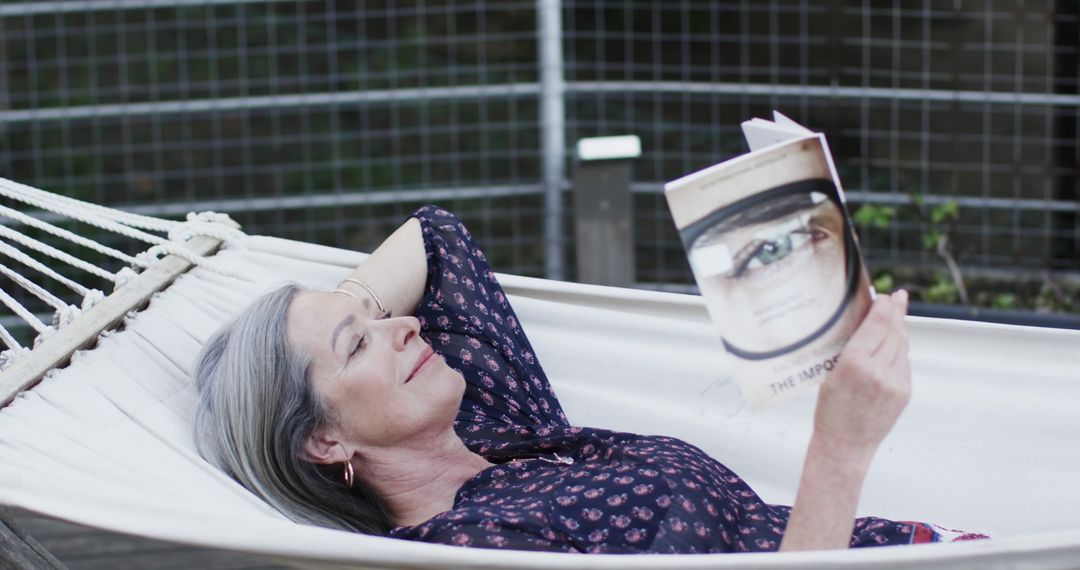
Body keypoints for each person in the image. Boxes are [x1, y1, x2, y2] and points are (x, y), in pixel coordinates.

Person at [192, 205, 985, 553]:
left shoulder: (500, 431)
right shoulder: (465, 546)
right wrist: (839, 448)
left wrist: (349, 315)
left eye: (383, 318)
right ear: (324, 440)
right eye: (359, 347)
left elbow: (435, 236)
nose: (408, 326)